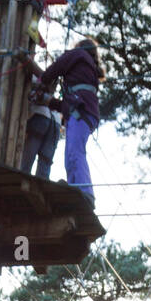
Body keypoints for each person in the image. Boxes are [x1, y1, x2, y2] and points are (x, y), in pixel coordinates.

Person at [38, 36, 104, 205]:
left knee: (75, 153)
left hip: (80, 112)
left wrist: (42, 81)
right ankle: (76, 188)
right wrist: (49, 101)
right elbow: (67, 104)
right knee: (70, 154)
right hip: (82, 112)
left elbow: (57, 67)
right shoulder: (86, 69)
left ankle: (85, 192)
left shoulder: (78, 54)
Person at [20, 90, 63, 179]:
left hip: (40, 117)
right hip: (56, 123)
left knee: (28, 156)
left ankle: (22, 180)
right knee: (45, 162)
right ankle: (41, 184)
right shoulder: (52, 86)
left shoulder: (34, 82)